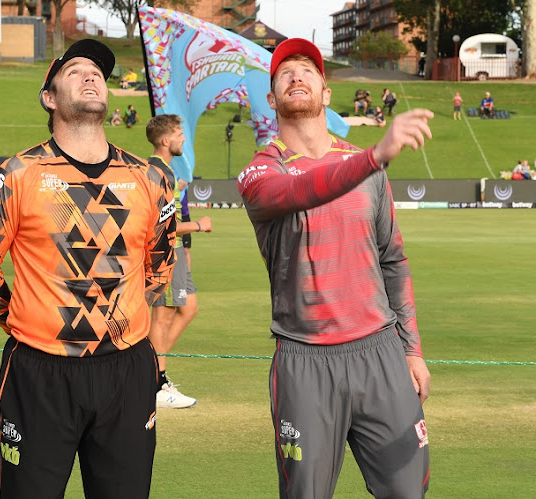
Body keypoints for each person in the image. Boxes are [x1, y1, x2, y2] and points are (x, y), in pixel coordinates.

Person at [0, 39, 177, 498]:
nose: (91, 74)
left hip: (127, 367)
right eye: (75, 68)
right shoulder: (16, 175)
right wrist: (28, 322)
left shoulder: (151, 177)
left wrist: (117, 320)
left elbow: (160, 267)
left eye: (98, 70)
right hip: (39, 371)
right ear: (50, 96)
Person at [237, 38, 433, 498]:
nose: (296, 76)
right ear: (272, 99)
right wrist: (373, 156)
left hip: (381, 354)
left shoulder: (368, 171)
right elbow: (298, 191)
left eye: (307, 70)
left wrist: (412, 349)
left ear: (326, 93)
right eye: (284, 73)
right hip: (304, 361)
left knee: (408, 492)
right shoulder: (260, 171)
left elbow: (393, 261)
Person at [145, 114, 212, 409]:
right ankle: (153, 381)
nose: (183, 138)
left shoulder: (163, 173)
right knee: (164, 316)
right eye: (178, 133)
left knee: (188, 308)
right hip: (163, 254)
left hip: (173, 253)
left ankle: (146, 373)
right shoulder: (158, 173)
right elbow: (163, 225)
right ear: (165, 140)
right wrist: (199, 225)